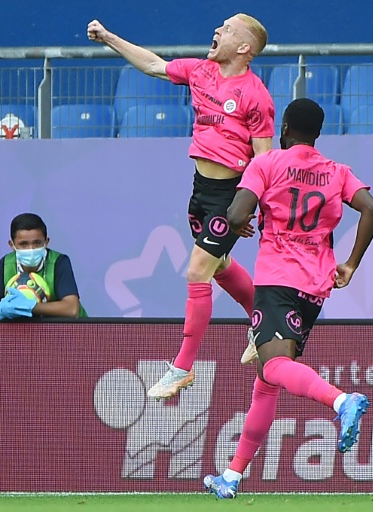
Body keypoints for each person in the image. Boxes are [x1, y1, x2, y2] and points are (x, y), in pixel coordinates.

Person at [87, 14, 275, 399]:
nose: (217, 30)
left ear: (244, 48)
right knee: (219, 265)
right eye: (220, 25)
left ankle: (182, 367)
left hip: (230, 194)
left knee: (197, 271)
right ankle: (265, 324)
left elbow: (264, 160)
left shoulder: (256, 95)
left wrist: (248, 205)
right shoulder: (200, 71)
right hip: (201, 191)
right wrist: (108, 37)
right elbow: (153, 65)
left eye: (228, 29)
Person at [203, 98, 373, 499]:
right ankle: (231, 475)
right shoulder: (337, 171)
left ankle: (341, 401)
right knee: (267, 381)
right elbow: (371, 208)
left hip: (278, 279)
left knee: (275, 365)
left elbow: (236, 215)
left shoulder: (267, 163)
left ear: (284, 128)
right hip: (315, 286)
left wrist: (239, 221)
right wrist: (351, 264)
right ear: (317, 133)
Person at [0, 213, 87, 319]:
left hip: (71, 328)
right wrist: (0, 308)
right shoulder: (6, 263)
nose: (31, 249)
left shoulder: (59, 262)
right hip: (29, 328)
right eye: (23, 244)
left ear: (46, 242)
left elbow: (71, 309)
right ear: (12, 245)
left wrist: (31, 307)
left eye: (37, 243)